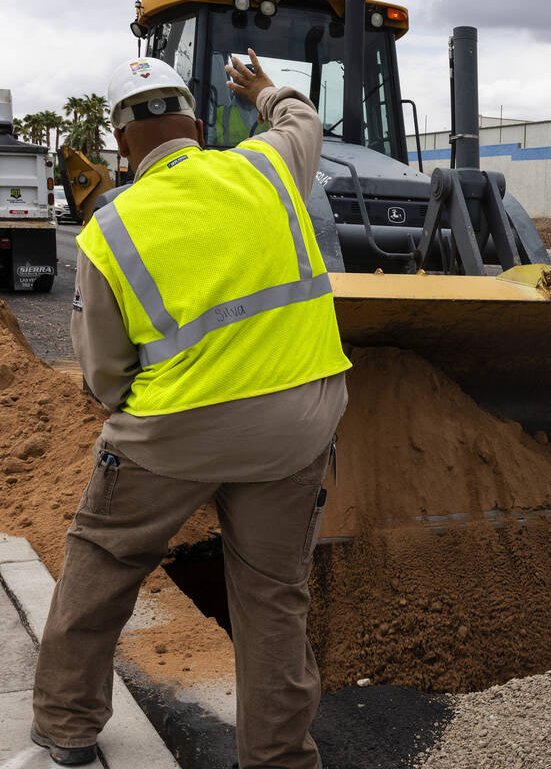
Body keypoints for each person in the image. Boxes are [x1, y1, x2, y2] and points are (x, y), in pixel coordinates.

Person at [31, 52, 350, 767]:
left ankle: (66, 725)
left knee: (103, 556)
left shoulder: (107, 232)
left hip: (175, 432)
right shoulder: (266, 167)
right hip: (299, 422)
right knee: (272, 599)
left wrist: (143, 417)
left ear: (119, 146)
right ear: (200, 126)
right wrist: (265, 90)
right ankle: (277, 758)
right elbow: (302, 118)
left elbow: (104, 374)